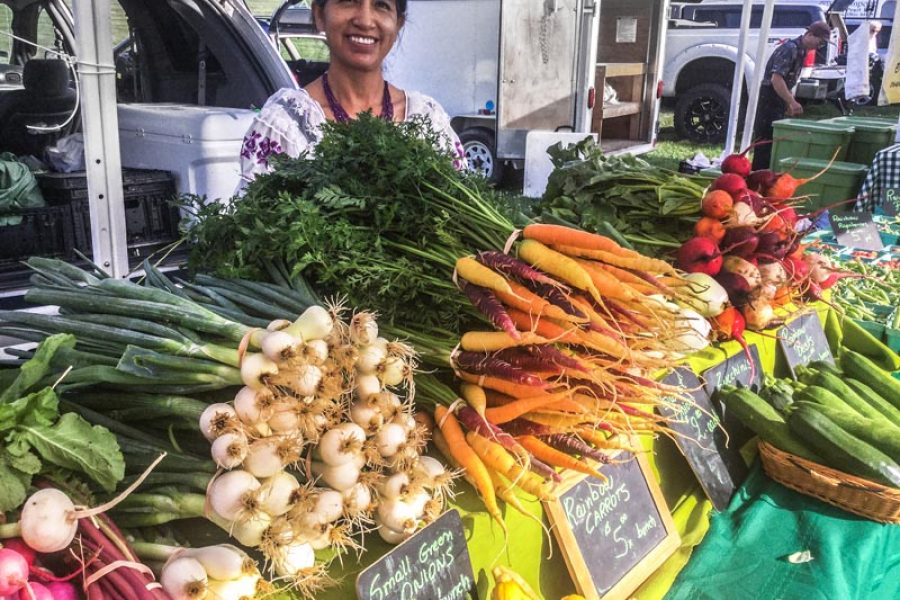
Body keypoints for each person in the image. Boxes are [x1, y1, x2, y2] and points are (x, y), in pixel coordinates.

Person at [239, 0, 465, 187]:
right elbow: (250, 230)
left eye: (381, 5)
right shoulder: (285, 125)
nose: (365, 21)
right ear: (319, 15)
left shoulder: (428, 121)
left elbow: (462, 221)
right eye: (349, 1)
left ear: (398, 25)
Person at [751, 21, 832, 171]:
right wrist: (791, 101)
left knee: (776, 141)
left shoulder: (801, 51)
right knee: (765, 142)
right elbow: (776, 79)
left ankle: (767, 174)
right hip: (769, 96)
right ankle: (758, 176)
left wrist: (787, 102)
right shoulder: (790, 49)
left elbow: (789, 80)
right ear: (809, 34)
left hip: (779, 97)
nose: (819, 47)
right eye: (819, 42)